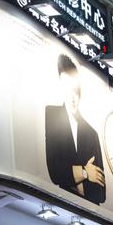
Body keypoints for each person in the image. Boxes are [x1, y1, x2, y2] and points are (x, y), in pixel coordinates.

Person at [45, 54, 105, 205]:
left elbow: (100, 192)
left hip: (92, 214)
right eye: (68, 90)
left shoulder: (92, 133)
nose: (72, 98)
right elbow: (54, 172)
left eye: (76, 91)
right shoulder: (51, 114)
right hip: (61, 204)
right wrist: (85, 172)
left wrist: (72, 175)